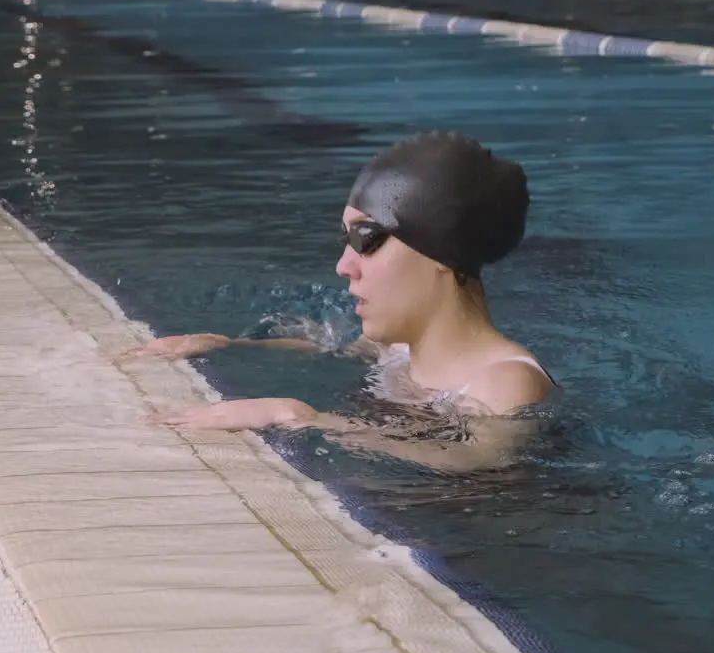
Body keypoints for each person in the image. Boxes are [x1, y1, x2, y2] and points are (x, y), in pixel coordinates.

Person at [125, 131, 558, 471]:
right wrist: (229, 345)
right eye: (344, 240)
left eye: (366, 239)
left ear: (443, 253)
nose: (344, 265)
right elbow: (333, 348)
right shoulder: (399, 352)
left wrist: (299, 416)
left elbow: (473, 461)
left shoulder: (504, 383)